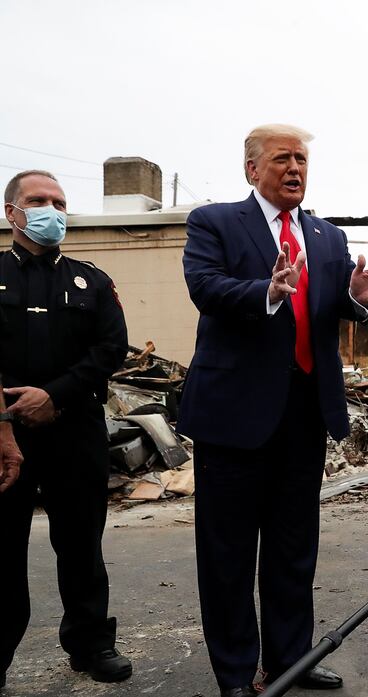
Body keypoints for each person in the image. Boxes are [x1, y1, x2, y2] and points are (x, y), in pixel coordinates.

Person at [177, 124, 368, 697]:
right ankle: (235, 673)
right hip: (233, 415)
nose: (295, 169)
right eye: (282, 158)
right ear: (252, 169)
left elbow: (330, 307)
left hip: (304, 414)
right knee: (228, 554)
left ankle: (290, 662)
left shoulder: (327, 236)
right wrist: (268, 291)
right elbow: (205, 287)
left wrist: (355, 297)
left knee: (293, 549)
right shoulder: (215, 222)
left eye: (301, 159)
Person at [0, 170, 131, 689]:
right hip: (3, 435)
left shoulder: (90, 280)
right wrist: (8, 413)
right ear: (12, 212)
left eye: (58, 202)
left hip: (74, 431)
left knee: (81, 545)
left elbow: (111, 349)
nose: (51, 211)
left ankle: (91, 644)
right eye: (38, 201)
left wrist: (53, 395)